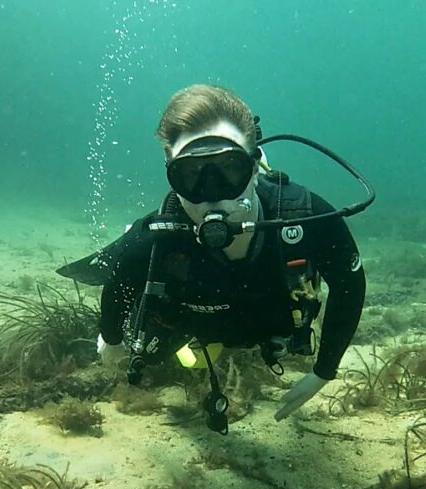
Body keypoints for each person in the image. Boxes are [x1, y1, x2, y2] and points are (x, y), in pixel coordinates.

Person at [59, 84, 366, 432]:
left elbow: (349, 284)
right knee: (161, 357)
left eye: (228, 169)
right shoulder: (156, 238)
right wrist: (111, 340)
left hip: (272, 326)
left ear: (254, 166)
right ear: (171, 175)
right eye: (191, 175)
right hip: (193, 325)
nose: (211, 194)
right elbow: (118, 284)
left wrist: (323, 370)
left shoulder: (304, 217)